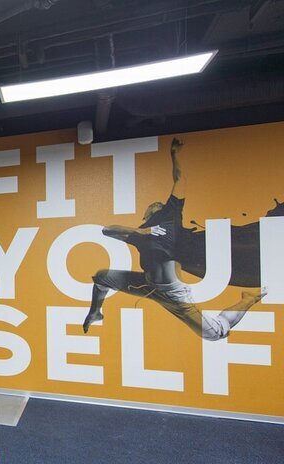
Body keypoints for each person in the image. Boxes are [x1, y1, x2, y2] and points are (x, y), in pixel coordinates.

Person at [83, 138, 266, 340]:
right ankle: (95, 312)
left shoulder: (170, 215)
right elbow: (107, 230)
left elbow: (180, 179)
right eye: (153, 206)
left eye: (159, 204)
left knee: (213, 334)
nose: (157, 204)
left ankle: (249, 299)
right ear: (146, 215)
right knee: (101, 277)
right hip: (147, 284)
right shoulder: (141, 232)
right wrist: (141, 232)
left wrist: (174, 154)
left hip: (173, 292)